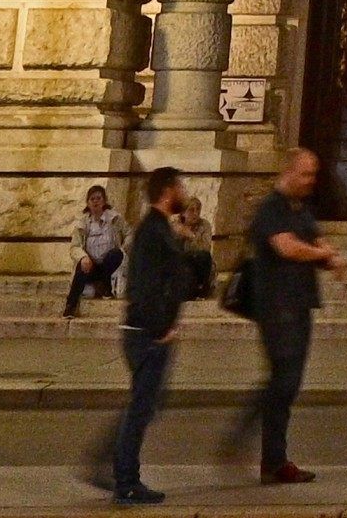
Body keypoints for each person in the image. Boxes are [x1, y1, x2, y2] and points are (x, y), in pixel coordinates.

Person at [238, 147, 347, 484]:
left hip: (298, 305)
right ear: (287, 172)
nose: (311, 180)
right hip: (277, 306)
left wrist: (328, 257)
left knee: (288, 381)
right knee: (283, 380)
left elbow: (314, 239)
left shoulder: (300, 209)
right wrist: (320, 252)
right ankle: (263, 450)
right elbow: (287, 246)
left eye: (314, 174)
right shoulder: (272, 208)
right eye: (305, 174)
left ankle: (273, 458)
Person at [107, 168, 204, 506]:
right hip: (147, 333)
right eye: (180, 186)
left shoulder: (160, 228)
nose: (185, 192)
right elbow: (145, 286)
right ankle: (125, 481)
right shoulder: (151, 231)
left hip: (149, 331)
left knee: (146, 405)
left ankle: (116, 467)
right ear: (167, 192)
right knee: (141, 408)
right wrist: (162, 327)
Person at [69, 183, 128, 318]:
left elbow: (129, 233)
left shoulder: (114, 219)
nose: (95, 201)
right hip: (91, 265)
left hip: (108, 265)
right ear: (88, 203)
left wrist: (123, 248)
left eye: (98, 198)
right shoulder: (82, 223)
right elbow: (74, 246)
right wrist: (83, 257)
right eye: (92, 199)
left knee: (116, 254)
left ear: (104, 201)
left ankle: (104, 283)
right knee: (81, 267)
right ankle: (70, 305)